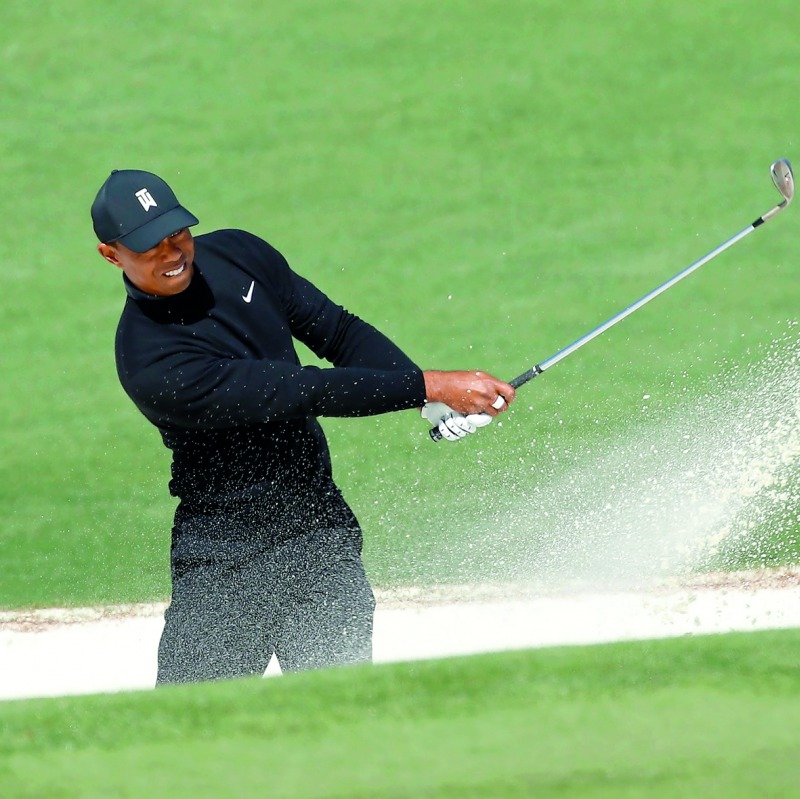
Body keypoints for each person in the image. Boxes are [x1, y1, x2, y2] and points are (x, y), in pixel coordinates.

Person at [91, 168, 514, 684]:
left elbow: (337, 330)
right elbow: (298, 390)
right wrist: (429, 386)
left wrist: (425, 402)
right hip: (224, 553)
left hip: (317, 526)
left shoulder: (239, 254)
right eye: (148, 245)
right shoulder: (149, 360)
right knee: (197, 724)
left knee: (341, 709)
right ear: (111, 254)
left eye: (176, 233)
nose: (172, 252)